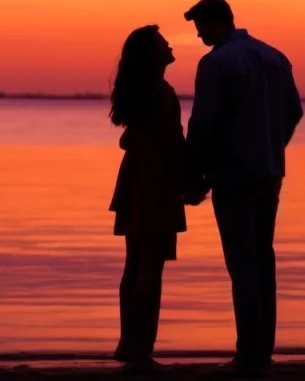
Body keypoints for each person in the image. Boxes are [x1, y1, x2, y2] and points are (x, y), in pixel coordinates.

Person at [182, 0, 302, 378]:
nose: (198, 34)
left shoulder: (215, 62)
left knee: (242, 262)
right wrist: (271, 144)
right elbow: (294, 111)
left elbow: (203, 122)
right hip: (268, 174)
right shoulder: (275, 57)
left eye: (200, 27)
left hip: (232, 175)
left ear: (217, 21)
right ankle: (261, 349)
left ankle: (249, 351)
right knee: (263, 259)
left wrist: (193, 175)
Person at [108, 25, 187, 372]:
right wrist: (190, 180)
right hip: (155, 181)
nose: (170, 45)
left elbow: (136, 138)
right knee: (149, 267)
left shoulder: (142, 90)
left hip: (135, 178)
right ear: (151, 54)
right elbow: (171, 143)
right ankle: (141, 348)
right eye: (162, 42)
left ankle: (129, 344)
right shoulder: (160, 92)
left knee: (135, 263)